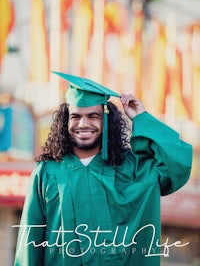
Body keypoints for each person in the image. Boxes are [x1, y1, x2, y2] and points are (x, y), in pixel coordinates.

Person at [14, 72, 192, 266]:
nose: (83, 124)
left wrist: (142, 119)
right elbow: (29, 245)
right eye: (76, 117)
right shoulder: (47, 173)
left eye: (93, 116)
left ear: (106, 121)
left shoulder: (131, 170)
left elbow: (176, 164)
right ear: (65, 122)